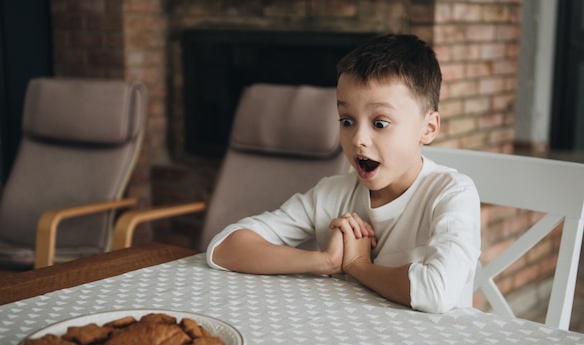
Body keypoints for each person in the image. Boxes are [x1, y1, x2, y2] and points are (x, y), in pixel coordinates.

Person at [206, 33, 481, 314]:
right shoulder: (331, 194)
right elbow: (224, 248)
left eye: (380, 123)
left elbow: (437, 291)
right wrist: (325, 262)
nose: (358, 138)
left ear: (429, 128)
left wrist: (358, 267)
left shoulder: (452, 193)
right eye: (347, 120)